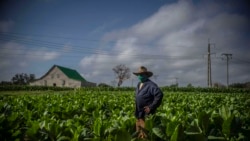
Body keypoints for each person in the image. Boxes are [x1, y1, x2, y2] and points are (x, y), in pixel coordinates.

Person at [133, 66, 164, 138]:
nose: (140, 76)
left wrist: (151, 107)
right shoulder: (139, 84)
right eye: (139, 75)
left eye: (142, 74)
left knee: (145, 134)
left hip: (146, 113)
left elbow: (159, 94)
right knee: (138, 133)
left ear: (146, 75)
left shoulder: (151, 85)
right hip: (138, 113)